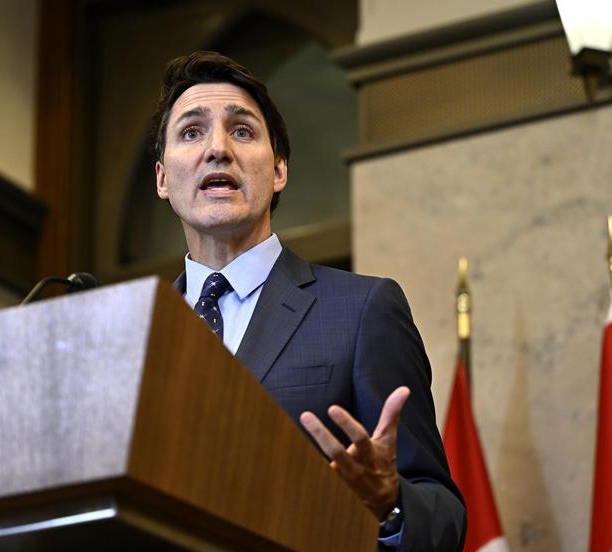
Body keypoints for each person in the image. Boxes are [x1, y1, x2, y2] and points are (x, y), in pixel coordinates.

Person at [150, 51, 466, 551]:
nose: (216, 150)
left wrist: (389, 504)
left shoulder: (363, 310)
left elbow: (443, 517)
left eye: (242, 131)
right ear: (164, 178)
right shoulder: (138, 336)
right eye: (191, 132)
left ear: (278, 170)